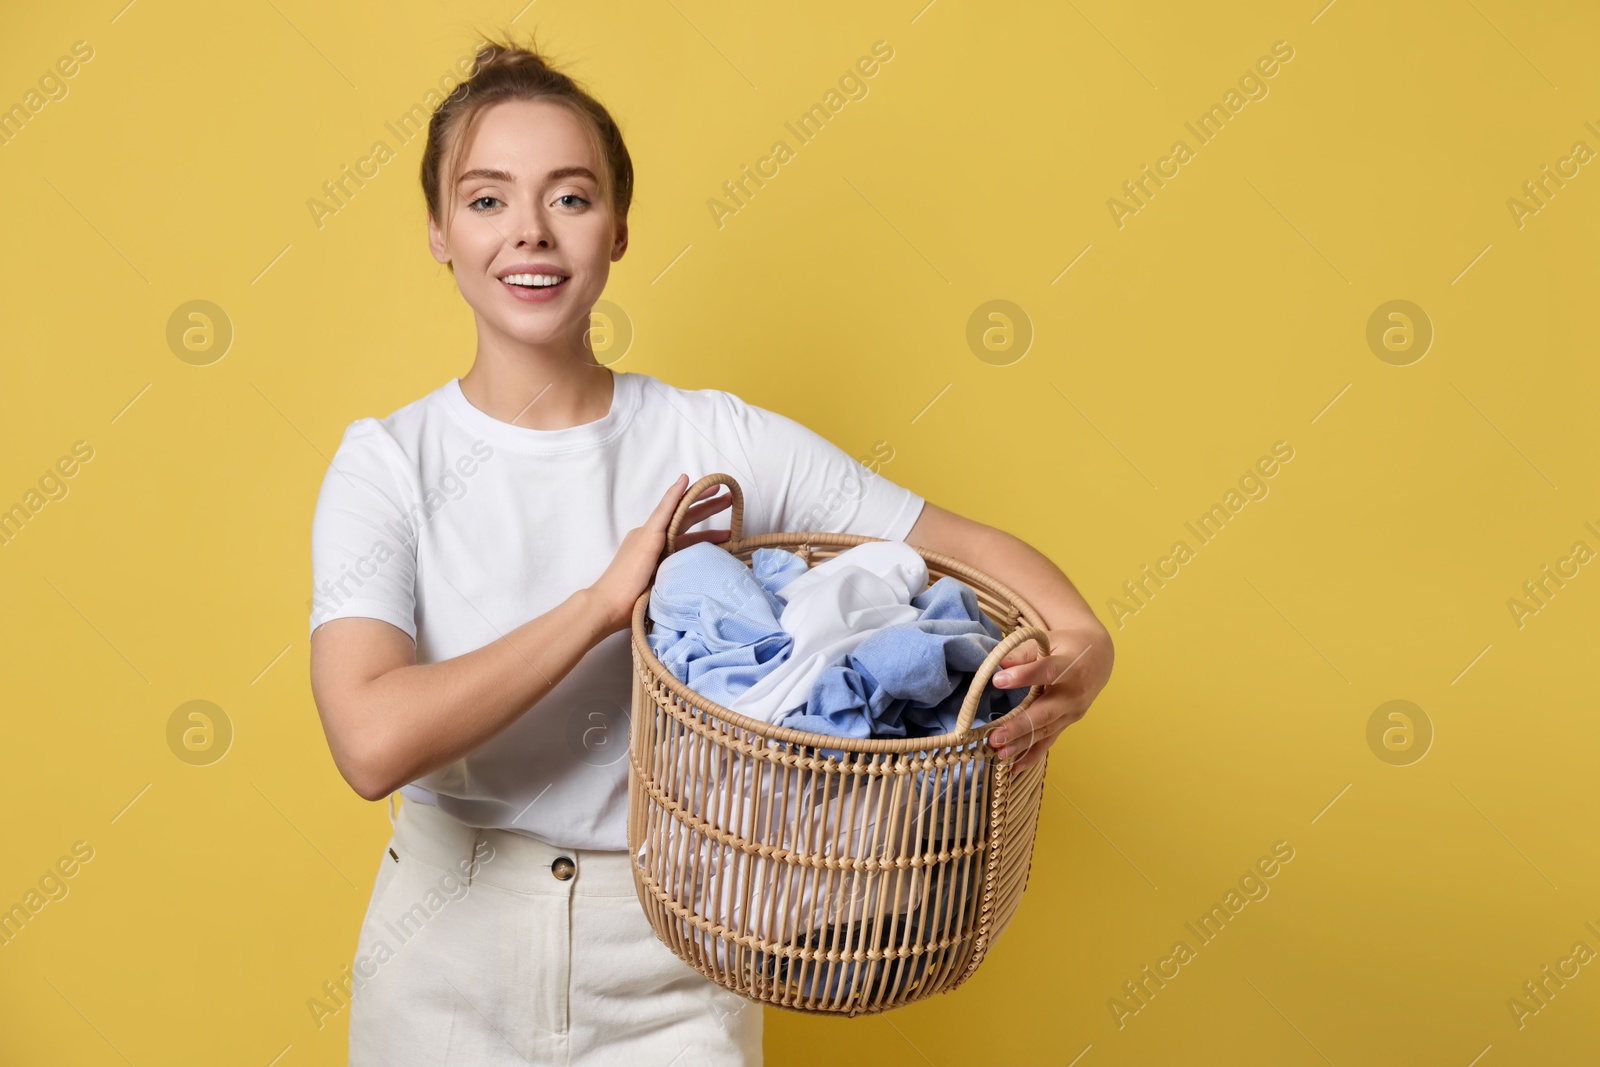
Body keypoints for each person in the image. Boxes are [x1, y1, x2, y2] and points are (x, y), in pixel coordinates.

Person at [307, 29, 1113, 1067]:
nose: (531, 233)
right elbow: (369, 740)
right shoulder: (387, 464)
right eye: (486, 198)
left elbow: (960, 547)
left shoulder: (716, 441)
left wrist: (1085, 641)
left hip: (676, 952)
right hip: (442, 964)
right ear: (438, 232)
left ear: (618, 229)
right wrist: (605, 602)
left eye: (570, 196)